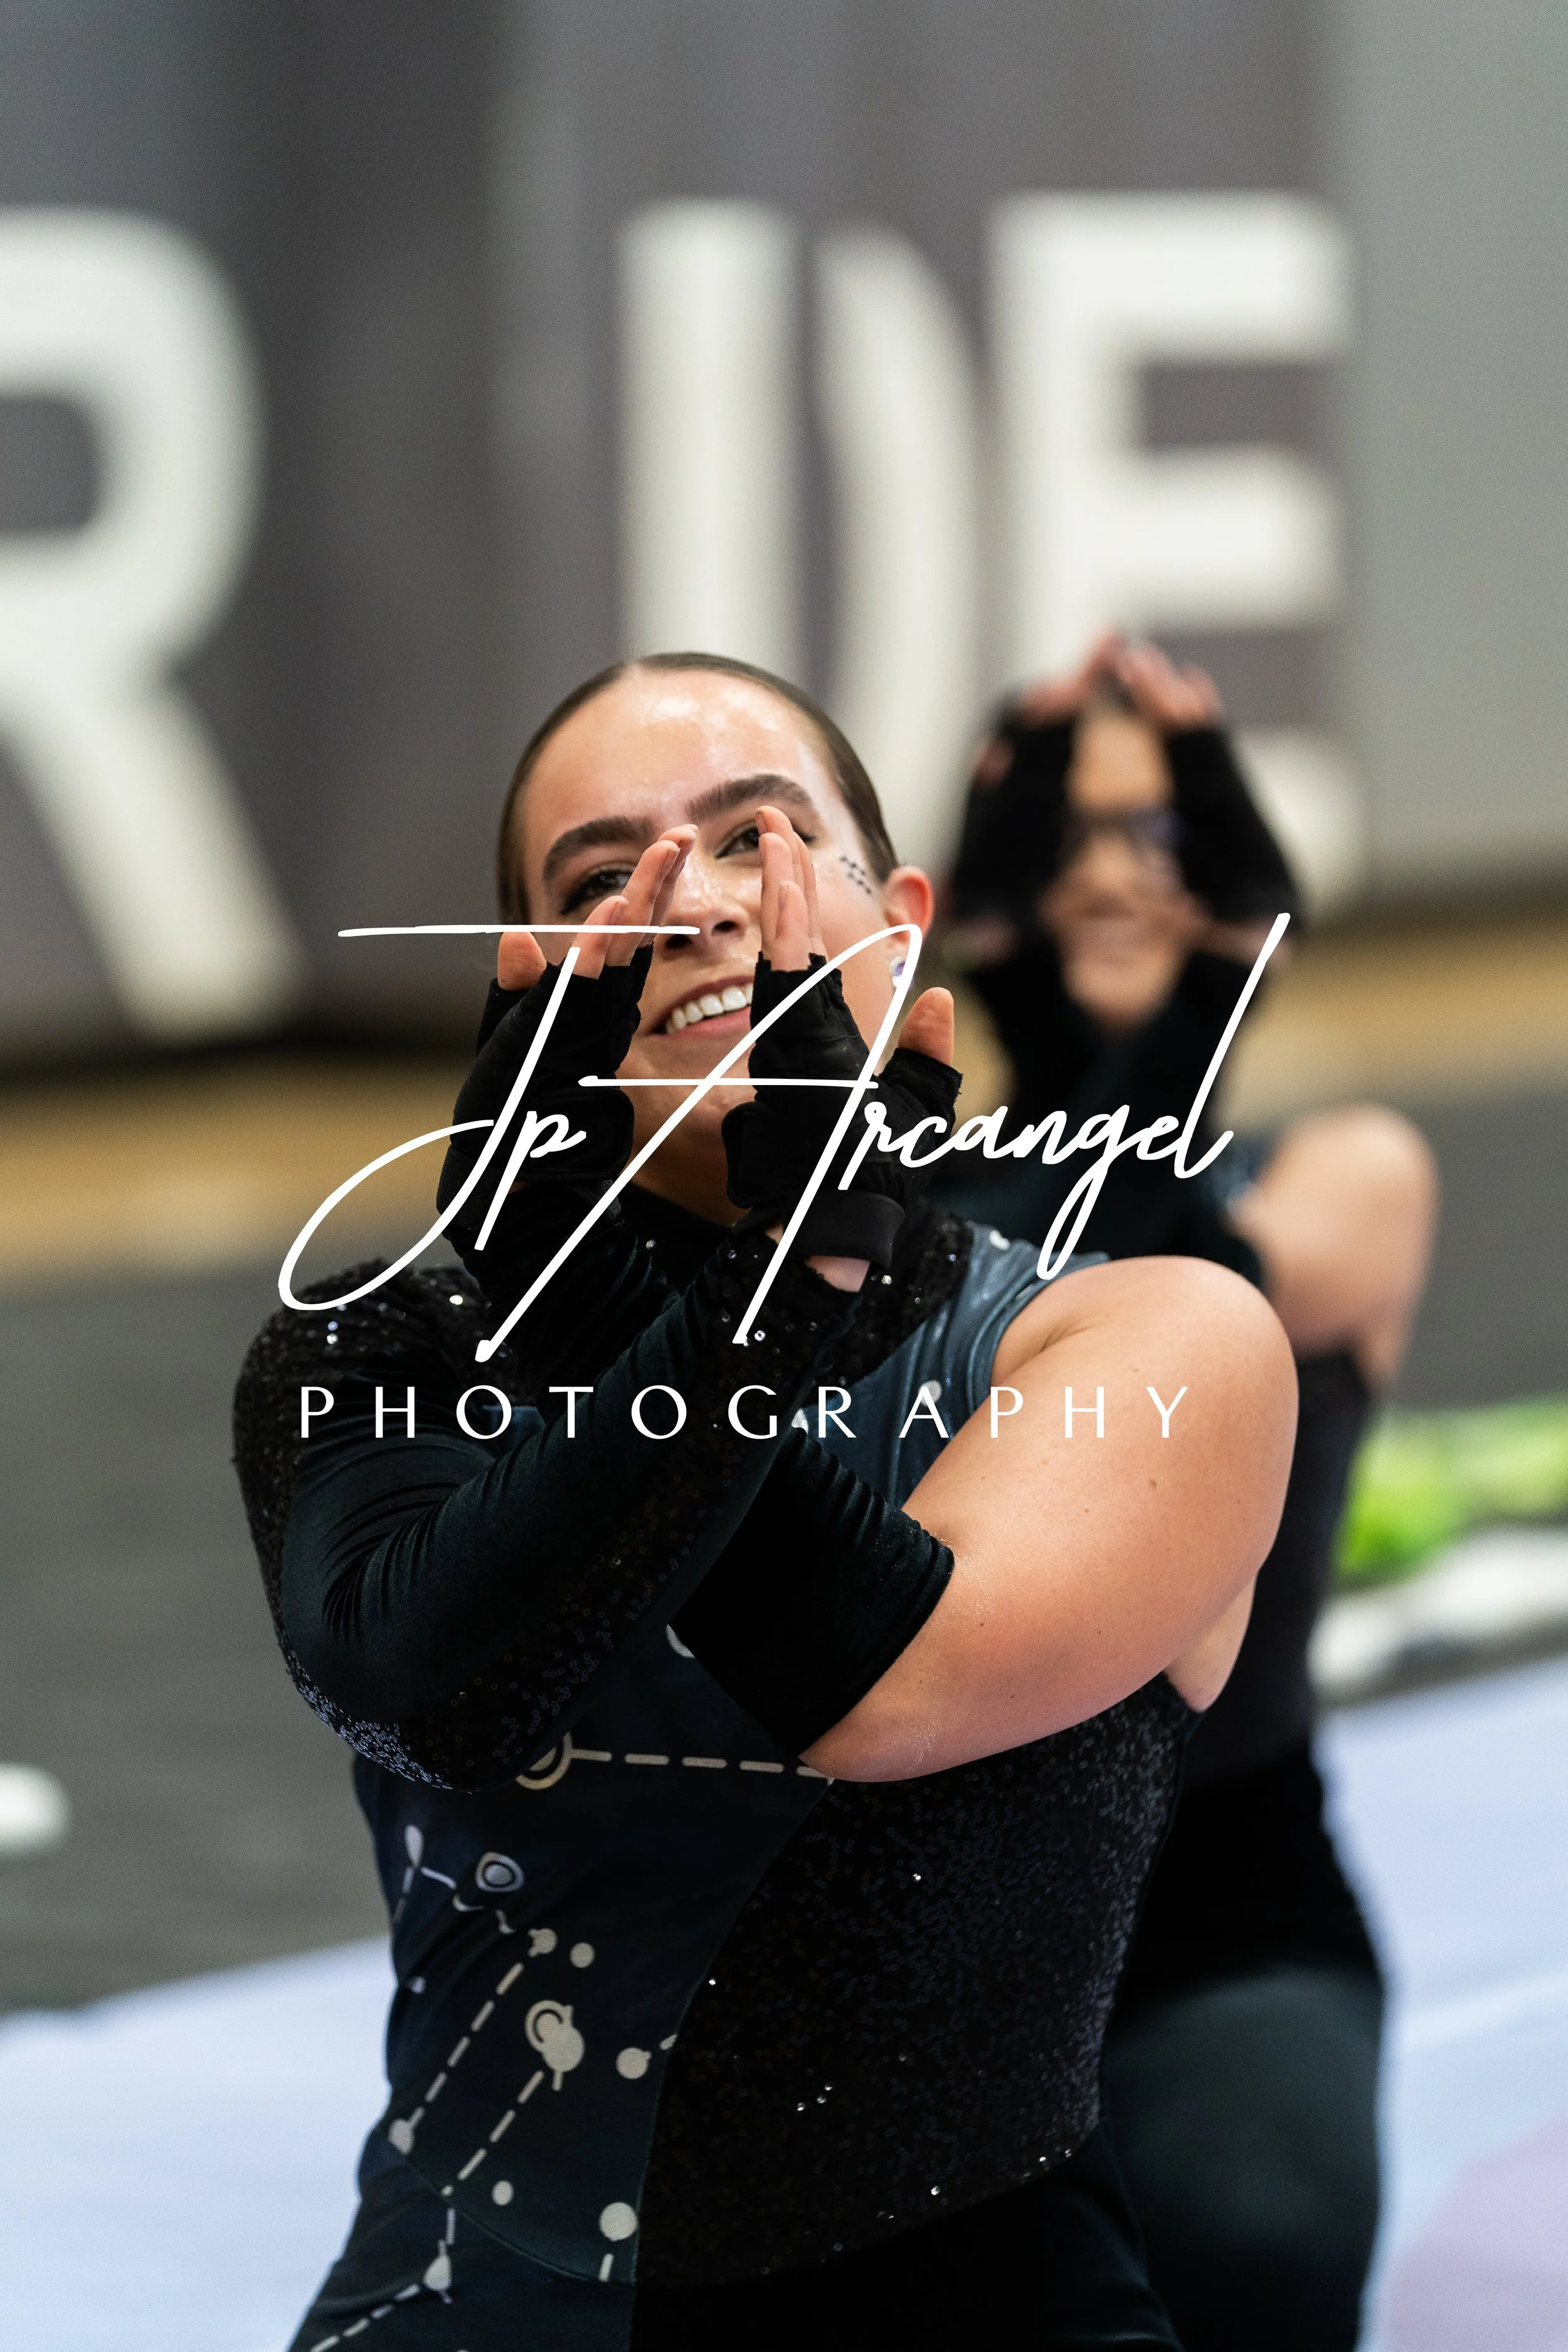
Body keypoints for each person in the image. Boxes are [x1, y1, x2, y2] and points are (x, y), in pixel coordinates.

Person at [234, 650, 1296, 2352]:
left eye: (758, 839)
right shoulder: (374, 1339)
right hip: (467, 2297)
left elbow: (891, 1688)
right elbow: (433, 1690)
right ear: (528, 984)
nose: (694, 905)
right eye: (603, 879)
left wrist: (745, 1292)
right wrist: (707, 1298)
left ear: (902, 919)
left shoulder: (1151, 1331)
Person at [941, 634, 1438, 2352]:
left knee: (1251, 2254)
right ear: (991, 885)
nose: (1111, 879)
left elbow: (1162, 1270)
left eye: (1163, 837)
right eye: (1060, 840)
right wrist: (1012, 972)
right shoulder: (890, 1192)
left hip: (1223, 1903)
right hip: (936, 1918)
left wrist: (1211, 989)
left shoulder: (1345, 1176)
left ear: (1230, 881)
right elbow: (1008, 1244)